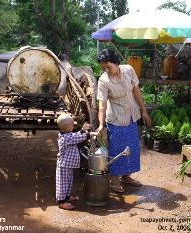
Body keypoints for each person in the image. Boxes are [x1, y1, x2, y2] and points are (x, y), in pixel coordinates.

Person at [96, 48, 152, 193]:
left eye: (108, 66)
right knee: (116, 149)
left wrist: (144, 111)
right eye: (103, 68)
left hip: (131, 114)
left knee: (131, 146)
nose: (106, 70)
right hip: (115, 118)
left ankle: (126, 176)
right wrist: (101, 124)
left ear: (116, 62)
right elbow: (102, 105)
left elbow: (137, 91)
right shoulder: (103, 80)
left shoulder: (128, 70)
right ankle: (114, 179)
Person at [56, 114, 100, 210]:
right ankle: (61, 201)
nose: (73, 127)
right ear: (67, 127)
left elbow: (75, 135)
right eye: (72, 125)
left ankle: (67, 197)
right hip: (63, 165)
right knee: (62, 183)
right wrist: (91, 134)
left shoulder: (67, 134)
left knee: (69, 181)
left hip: (68, 165)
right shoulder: (65, 138)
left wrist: (82, 130)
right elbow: (77, 138)